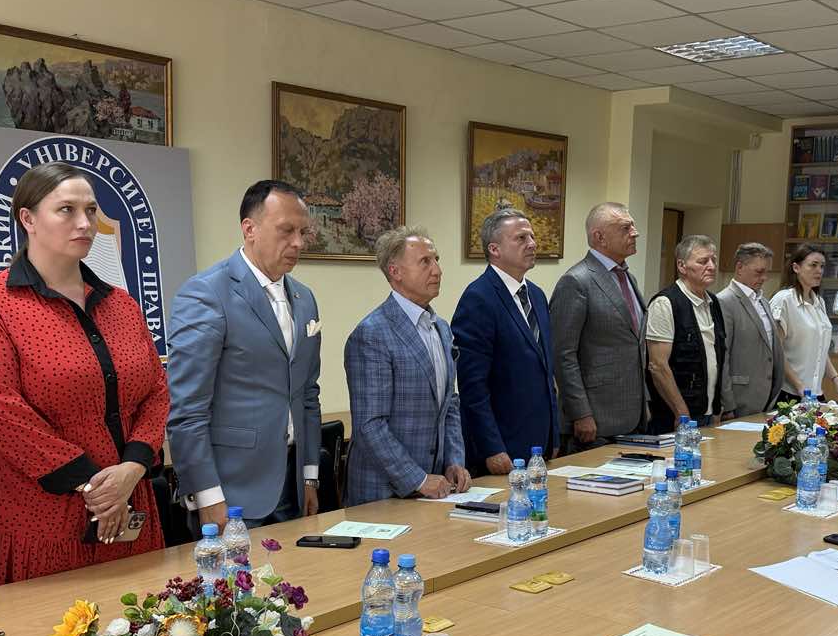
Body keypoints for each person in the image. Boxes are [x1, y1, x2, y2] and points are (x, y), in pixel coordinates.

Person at [0, 163, 169, 586]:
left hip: (127, 494)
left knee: (135, 616)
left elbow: (156, 391)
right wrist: (96, 487)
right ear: (28, 219)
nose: (85, 223)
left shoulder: (122, 305)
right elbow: (0, 413)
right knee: (44, 623)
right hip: (34, 507)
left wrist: (131, 469)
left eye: (91, 210)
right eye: (66, 210)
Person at [167, 181, 322, 528]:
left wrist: (309, 475)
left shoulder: (305, 298)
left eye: (303, 232)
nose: (298, 243)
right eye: (286, 230)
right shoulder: (206, 294)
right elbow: (187, 410)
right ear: (249, 229)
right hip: (232, 493)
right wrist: (207, 496)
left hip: (293, 486)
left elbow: (307, 393)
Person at [343, 227, 468, 505]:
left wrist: (454, 461)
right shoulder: (372, 333)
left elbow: (450, 404)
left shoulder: (441, 329)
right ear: (395, 272)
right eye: (425, 262)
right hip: (383, 493)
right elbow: (370, 425)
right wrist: (418, 479)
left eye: (436, 260)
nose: (437, 271)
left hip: (437, 488)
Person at [452, 207, 559, 472]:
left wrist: (553, 434)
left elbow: (545, 373)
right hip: (502, 446)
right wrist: (491, 447)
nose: (532, 244)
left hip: (539, 445)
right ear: (494, 249)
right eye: (521, 238)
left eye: (532, 236)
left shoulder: (536, 295)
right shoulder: (479, 298)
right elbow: (472, 385)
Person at [550, 204, 647, 449]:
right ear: (599, 237)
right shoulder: (576, 281)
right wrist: (580, 413)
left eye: (633, 226)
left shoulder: (628, 277)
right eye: (625, 228)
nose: (635, 233)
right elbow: (563, 354)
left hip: (633, 416)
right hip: (595, 421)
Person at [645, 235, 726, 432]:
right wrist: (681, 412)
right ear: (682, 266)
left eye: (713, 260)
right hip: (676, 416)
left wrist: (717, 407)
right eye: (703, 261)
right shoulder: (666, 303)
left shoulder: (713, 302)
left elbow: (717, 357)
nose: (711, 266)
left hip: (708, 412)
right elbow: (658, 366)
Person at [770, 243, 838, 402]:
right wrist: (799, 385)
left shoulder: (819, 302)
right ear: (796, 267)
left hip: (815, 392)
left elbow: (820, 349)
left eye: (822, 266)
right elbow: (776, 351)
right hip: (789, 392)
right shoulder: (784, 300)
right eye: (813, 265)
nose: (819, 271)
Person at [717, 242, 785, 417]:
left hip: (767, 398)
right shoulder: (724, 301)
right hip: (739, 398)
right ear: (739, 268)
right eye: (759, 272)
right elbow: (722, 356)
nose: (764, 278)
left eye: (767, 272)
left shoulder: (763, 302)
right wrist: (727, 404)